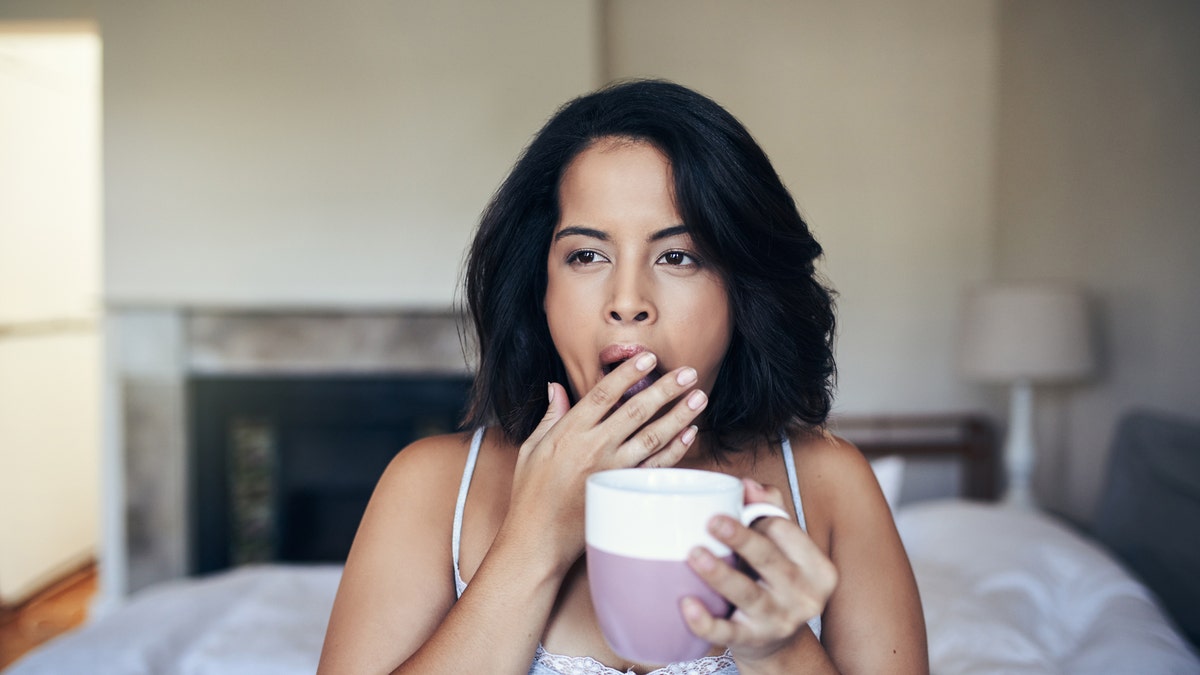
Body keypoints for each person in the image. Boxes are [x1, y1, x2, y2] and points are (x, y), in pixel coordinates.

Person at [317, 79, 927, 675]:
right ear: (542, 289)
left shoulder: (832, 484)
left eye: (677, 256)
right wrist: (533, 542)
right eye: (587, 255)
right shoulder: (430, 485)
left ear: (744, 292)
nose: (628, 300)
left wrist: (776, 648)